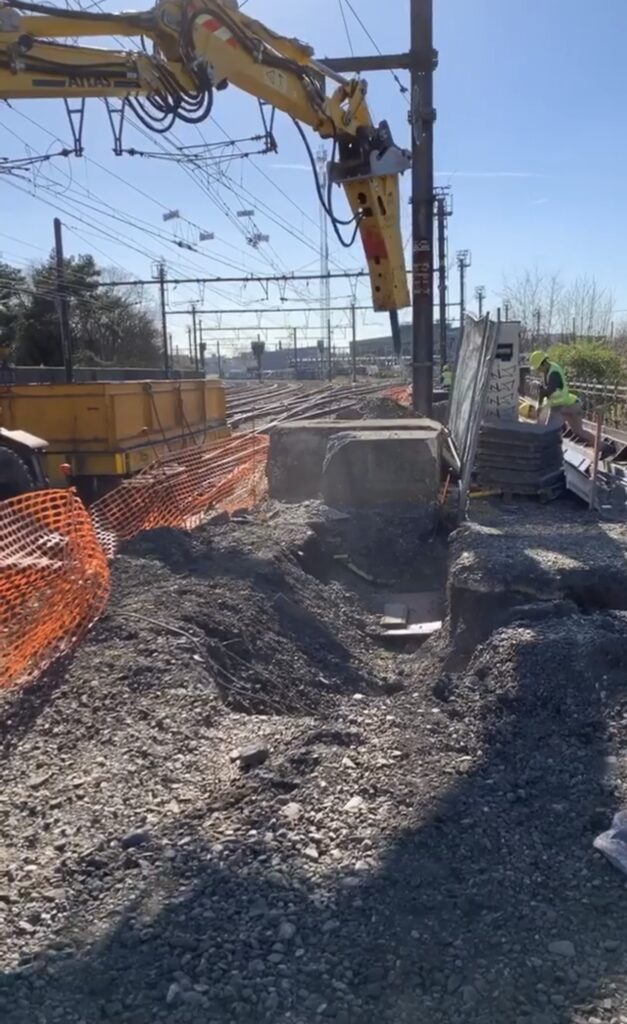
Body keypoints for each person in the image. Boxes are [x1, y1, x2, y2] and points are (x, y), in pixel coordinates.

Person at [529, 350, 595, 445]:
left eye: (538, 368)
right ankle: (605, 448)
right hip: (568, 405)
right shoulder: (547, 371)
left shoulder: (554, 373)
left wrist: (540, 390)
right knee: (579, 432)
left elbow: (548, 391)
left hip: (567, 406)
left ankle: (550, 452)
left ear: (543, 364)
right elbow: (544, 393)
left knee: (550, 430)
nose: (538, 371)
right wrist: (539, 405)